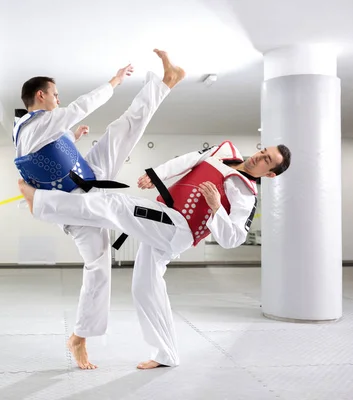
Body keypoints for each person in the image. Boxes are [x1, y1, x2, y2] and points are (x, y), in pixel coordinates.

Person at [17, 140, 292, 369]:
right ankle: (166, 354)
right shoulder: (225, 150)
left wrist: (216, 208)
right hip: (166, 220)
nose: (259, 157)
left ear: (270, 174)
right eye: (263, 152)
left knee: (115, 204)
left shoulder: (244, 193)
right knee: (145, 288)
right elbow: (187, 160)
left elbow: (233, 238)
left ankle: (41, 203)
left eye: (267, 161)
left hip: (177, 228)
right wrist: (156, 174)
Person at [13, 49, 186, 370]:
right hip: (76, 203)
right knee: (99, 265)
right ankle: (80, 337)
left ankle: (164, 84)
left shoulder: (36, 127)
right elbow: (79, 108)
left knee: (122, 131)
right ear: (41, 95)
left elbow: (50, 151)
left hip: (86, 174)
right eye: (55, 95)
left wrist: (70, 136)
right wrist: (114, 81)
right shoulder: (37, 124)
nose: (58, 100)